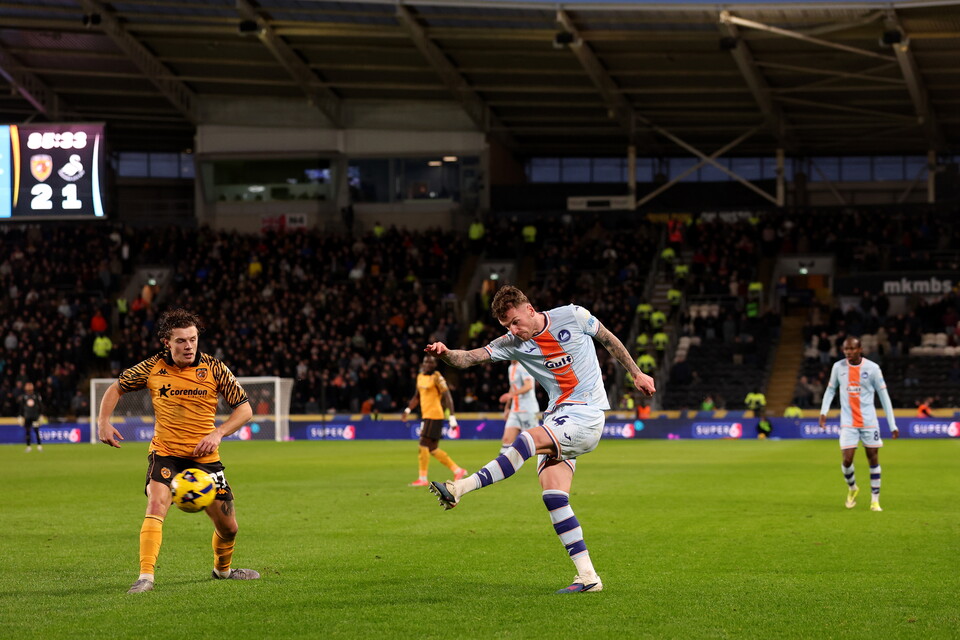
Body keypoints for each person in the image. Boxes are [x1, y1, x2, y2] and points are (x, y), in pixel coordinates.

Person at [424, 285, 656, 594]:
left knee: (525, 441)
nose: (513, 330)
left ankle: (460, 488)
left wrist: (636, 373)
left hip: (586, 414)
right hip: (559, 417)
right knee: (554, 496)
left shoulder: (573, 316)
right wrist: (446, 353)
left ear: (530, 310)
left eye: (515, 322)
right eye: (506, 326)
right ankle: (588, 577)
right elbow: (469, 357)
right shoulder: (512, 343)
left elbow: (608, 339)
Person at [97, 309, 260, 594]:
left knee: (230, 527)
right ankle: (145, 577)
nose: (189, 346)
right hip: (167, 453)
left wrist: (218, 433)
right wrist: (103, 422)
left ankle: (222, 571)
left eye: (193, 339)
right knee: (156, 504)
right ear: (166, 342)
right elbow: (116, 387)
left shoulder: (214, 369)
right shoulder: (151, 368)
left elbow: (245, 409)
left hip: (205, 458)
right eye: (182, 341)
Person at [819, 336, 898, 512]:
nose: (848, 352)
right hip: (848, 422)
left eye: (852, 349)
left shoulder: (873, 369)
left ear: (860, 349)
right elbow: (831, 389)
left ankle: (875, 501)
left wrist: (892, 424)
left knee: (873, 458)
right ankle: (853, 487)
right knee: (847, 460)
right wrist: (823, 412)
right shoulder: (838, 367)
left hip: (869, 422)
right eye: (846, 349)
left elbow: (884, 397)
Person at [401, 354, 467, 488]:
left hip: (435, 415)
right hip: (426, 416)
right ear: (423, 364)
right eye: (426, 362)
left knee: (422, 444)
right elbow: (417, 396)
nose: (428, 365)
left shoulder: (437, 377)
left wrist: (452, 417)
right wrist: (408, 410)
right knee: (432, 448)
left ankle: (422, 478)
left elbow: (448, 397)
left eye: (431, 363)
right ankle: (458, 470)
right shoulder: (420, 377)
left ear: (435, 365)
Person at [499, 360, 540, 455]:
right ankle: (499, 468)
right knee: (506, 440)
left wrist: (510, 395)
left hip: (527, 409)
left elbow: (529, 385)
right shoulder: (511, 367)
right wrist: (507, 407)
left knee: (535, 442)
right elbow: (513, 387)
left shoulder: (524, 365)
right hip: (515, 410)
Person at [18, 381, 43, 452]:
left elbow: (40, 406)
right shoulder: (24, 397)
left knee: (36, 431)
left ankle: (39, 446)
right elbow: (21, 407)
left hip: (35, 416)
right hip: (27, 416)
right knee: (27, 431)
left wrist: (41, 414)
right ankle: (29, 446)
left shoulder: (36, 396)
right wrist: (20, 415)